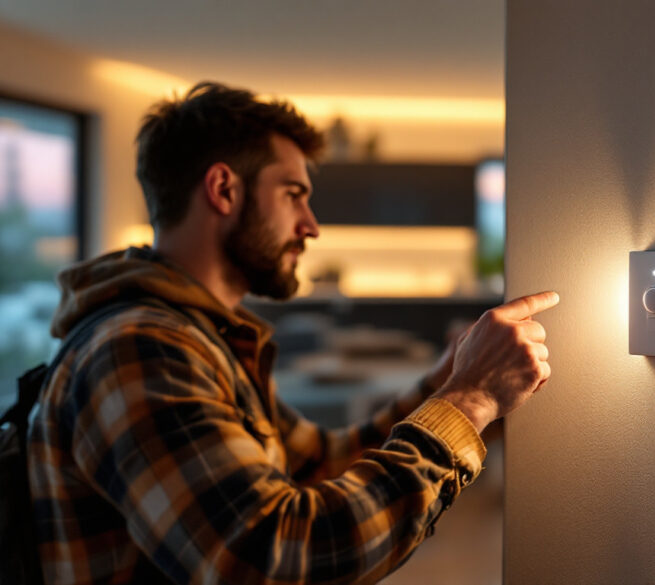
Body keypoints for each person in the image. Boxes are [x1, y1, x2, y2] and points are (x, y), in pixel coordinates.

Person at [27, 81, 558, 585]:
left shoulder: (202, 339)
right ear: (223, 190)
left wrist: (447, 383)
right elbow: (274, 560)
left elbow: (319, 465)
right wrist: (469, 401)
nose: (311, 224)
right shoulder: (139, 350)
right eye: (292, 193)